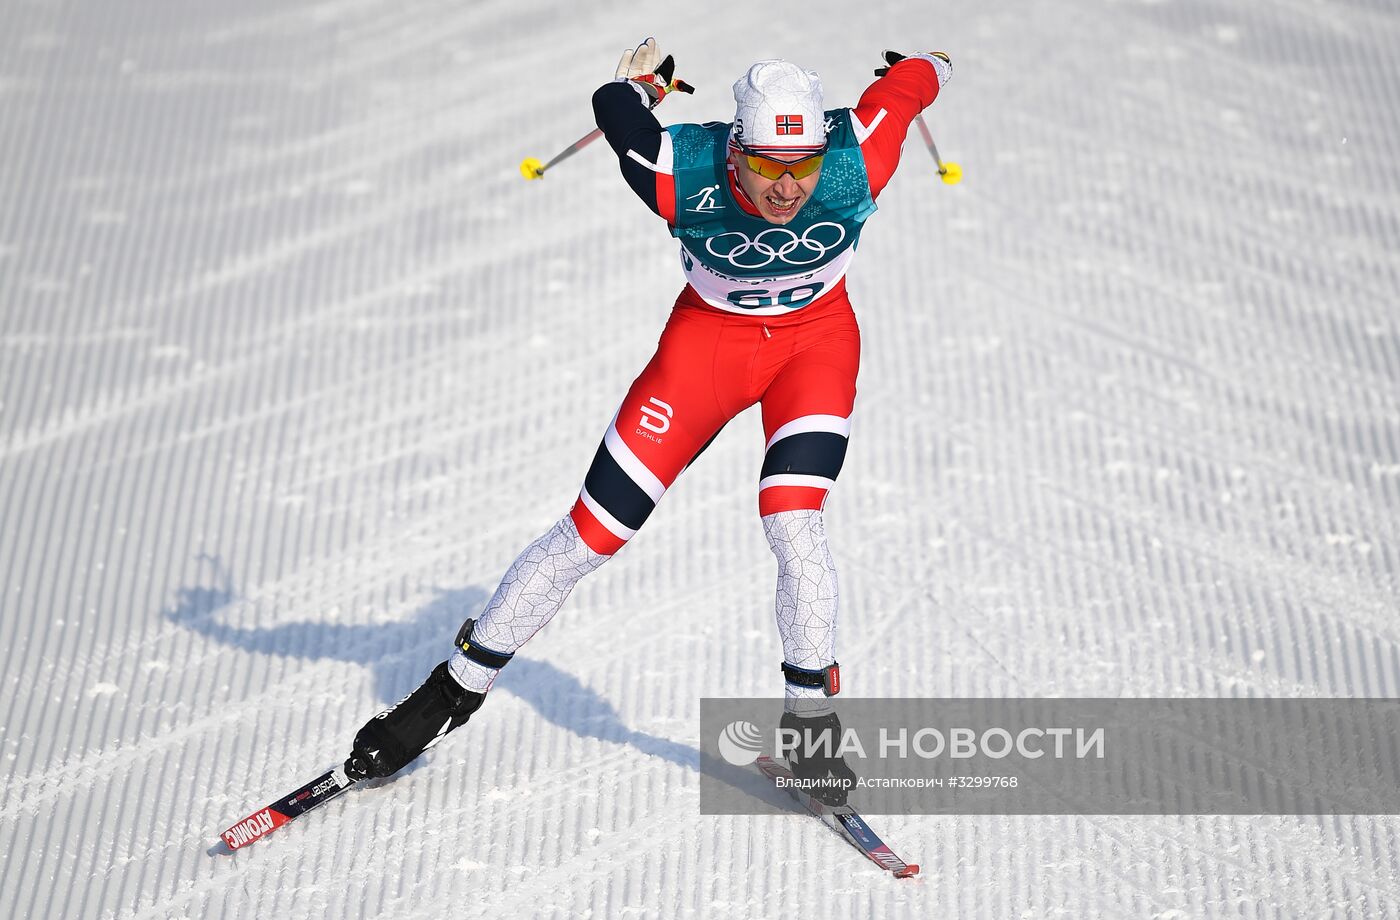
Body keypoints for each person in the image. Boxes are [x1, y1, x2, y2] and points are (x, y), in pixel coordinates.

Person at [343, 40, 951, 800]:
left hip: (814, 348)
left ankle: (812, 738)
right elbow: (612, 109)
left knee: (794, 524)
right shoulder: (677, 172)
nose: (787, 187)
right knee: (591, 535)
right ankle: (448, 695)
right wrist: (640, 87)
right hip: (707, 350)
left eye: (802, 166)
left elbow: (912, 88)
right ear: (736, 149)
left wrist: (924, 62)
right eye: (766, 165)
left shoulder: (858, 156)